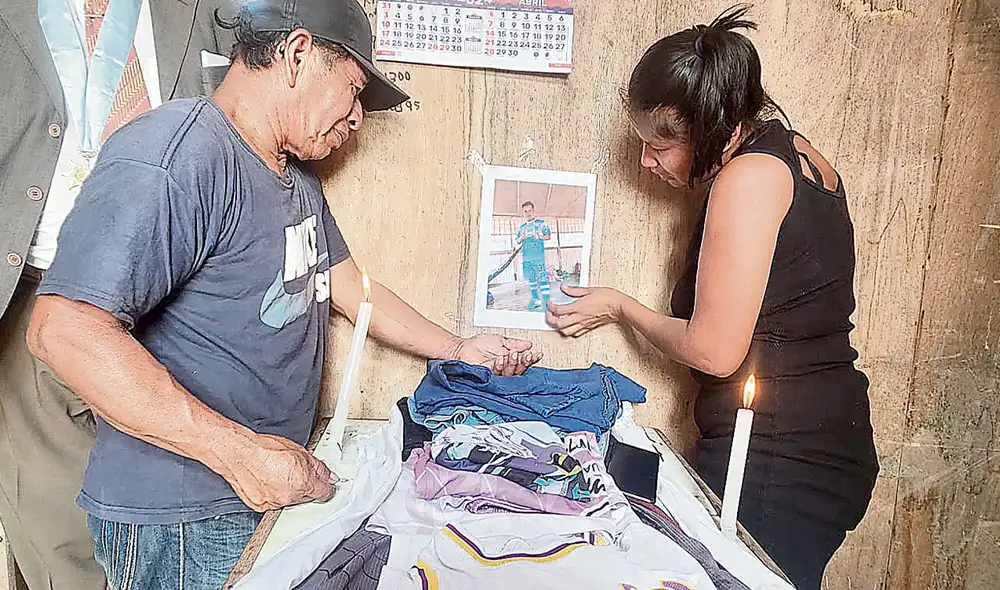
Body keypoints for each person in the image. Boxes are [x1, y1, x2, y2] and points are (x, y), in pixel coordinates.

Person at [25, 0, 541, 587]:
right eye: (352, 91)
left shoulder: (293, 176)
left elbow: (350, 286)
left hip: (261, 494)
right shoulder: (178, 156)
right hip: (183, 517)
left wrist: (457, 348)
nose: (356, 120)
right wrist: (242, 458)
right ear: (297, 56)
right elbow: (62, 330)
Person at [545, 6, 878, 588]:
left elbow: (716, 350)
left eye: (661, 145)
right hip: (819, 434)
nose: (647, 162)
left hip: (784, 456)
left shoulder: (747, 179)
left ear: (713, 125)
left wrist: (623, 307)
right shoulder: (794, 151)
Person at [0, 0, 235, 587]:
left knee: (166, 512)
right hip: (32, 287)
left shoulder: (206, 13)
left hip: (170, 303)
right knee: (51, 515)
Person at [515, 200, 552, 311]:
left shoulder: (541, 223)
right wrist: (521, 238)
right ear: (523, 213)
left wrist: (539, 236)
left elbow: (548, 236)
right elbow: (517, 241)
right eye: (525, 211)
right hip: (526, 258)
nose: (528, 213)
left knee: (542, 279)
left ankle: (547, 302)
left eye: (529, 210)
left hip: (538, 258)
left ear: (533, 211)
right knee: (531, 280)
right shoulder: (522, 228)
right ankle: (536, 300)